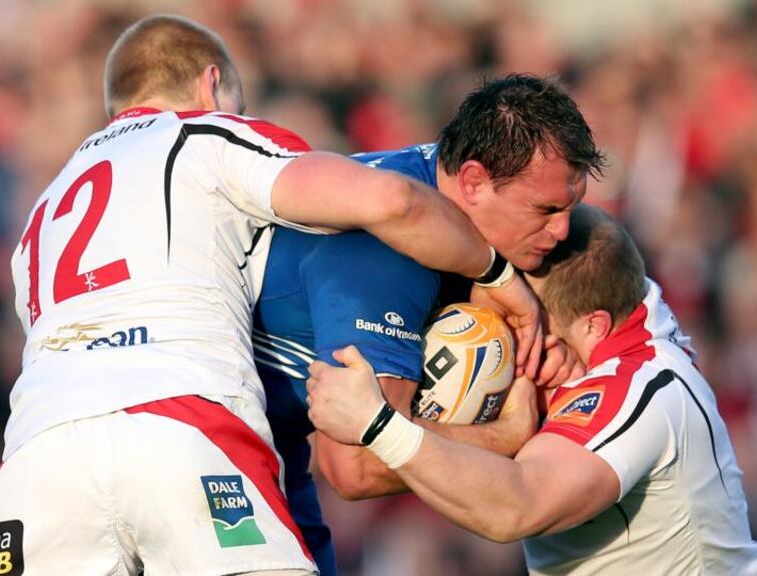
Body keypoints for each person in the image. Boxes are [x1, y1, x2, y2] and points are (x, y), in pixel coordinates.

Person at [0, 14, 540, 576]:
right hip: (183, 423)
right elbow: (391, 202)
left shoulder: (39, 215)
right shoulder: (205, 132)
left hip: (34, 461)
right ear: (212, 84)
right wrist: (498, 277)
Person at [253, 75, 603, 574]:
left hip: (273, 461)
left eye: (570, 207)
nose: (562, 229)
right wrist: (510, 434)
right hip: (220, 460)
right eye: (545, 209)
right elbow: (356, 465)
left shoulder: (442, 178)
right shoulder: (383, 256)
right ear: (475, 181)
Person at [307, 204, 757, 575]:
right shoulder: (607, 332)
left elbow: (516, 506)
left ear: (595, 327)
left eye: (532, 327)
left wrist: (380, 425)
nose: (516, 346)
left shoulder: (644, 386)